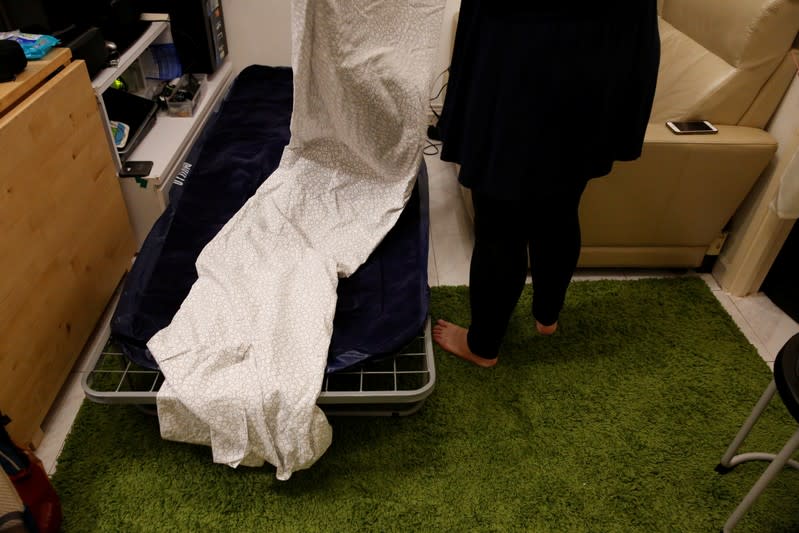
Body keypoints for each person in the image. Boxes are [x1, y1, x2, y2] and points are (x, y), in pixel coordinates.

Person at [432, 2, 661, 367]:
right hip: (605, 51)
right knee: (561, 201)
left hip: (528, 51)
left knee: (500, 218)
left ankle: (483, 345)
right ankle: (547, 316)